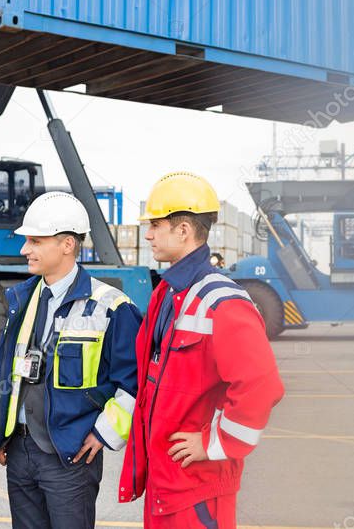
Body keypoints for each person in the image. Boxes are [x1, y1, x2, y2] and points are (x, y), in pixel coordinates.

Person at [120, 172, 284, 528]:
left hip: (198, 487)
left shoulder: (222, 302)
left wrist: (214, 441)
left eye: (155, 225)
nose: (147, 234)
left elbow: (262, 386)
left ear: (182, 230)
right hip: (166, 480)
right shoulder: (166, 293)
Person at [0, 191, 142, 529]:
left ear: (67, 244)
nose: (25, 249)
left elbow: (133, 382)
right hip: (19, 452)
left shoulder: (112, 306)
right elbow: (8, 373)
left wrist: (103, 434)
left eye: (35, 241)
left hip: (70, 456)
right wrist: (1, 433)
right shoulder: (21, 299)